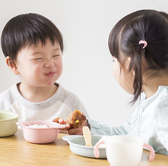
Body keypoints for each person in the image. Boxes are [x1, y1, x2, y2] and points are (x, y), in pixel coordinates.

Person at [61, 9, 168, 155]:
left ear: (132, 65)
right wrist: (88, 129)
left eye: (114, 60)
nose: (113, 65)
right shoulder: (152, 101)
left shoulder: (162, 109)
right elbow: (128, 136)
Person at [0, 13, 89, 122]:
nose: (50, 64)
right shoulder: (4, 103)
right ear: (13, 65)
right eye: (38, 58)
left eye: (56, 55)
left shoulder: (71, 103)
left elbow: (87, 136)